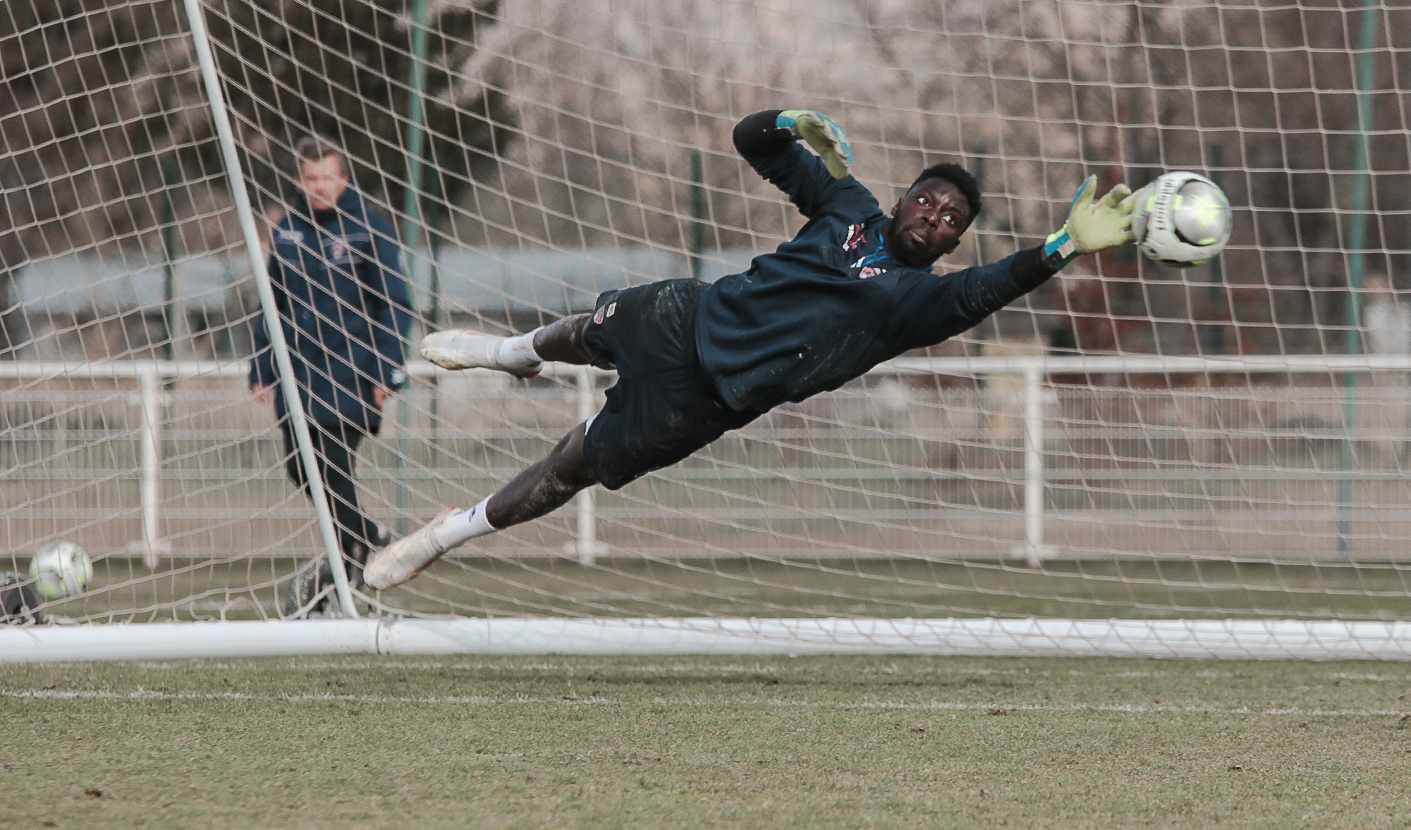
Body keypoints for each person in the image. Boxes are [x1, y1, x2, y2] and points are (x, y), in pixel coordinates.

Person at [364, 108, 1133, 590]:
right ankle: (509, 353)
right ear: (902, 197)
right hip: (683, 315)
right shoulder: (846, 204)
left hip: (701, 401)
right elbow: (749, 142)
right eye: (927, 199)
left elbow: (988, 289)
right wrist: (790, 121)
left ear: (953, 242)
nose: (935, 215)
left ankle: (443, 534)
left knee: (572, 467)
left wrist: (1062, 245)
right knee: (584, 331)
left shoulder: (917, 302)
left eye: (951, 219)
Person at [249, 137, 413, 614]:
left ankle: (348, 568)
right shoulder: (287, 232)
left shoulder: (369, 231)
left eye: (328, 177)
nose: (320, 186)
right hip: (299, 375)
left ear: (344, 180)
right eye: (311, 178)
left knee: (334, 468)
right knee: (301, 468)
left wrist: (387, 367)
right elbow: (271, 306)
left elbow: (394, 305)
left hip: (352, 373)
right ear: (299, 182)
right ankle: (369, 538)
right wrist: (261, 366)